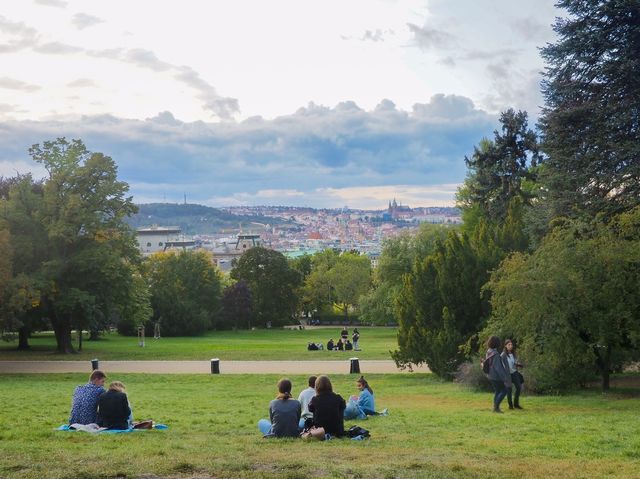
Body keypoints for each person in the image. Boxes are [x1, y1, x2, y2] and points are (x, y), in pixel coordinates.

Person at [485, 336, 511, 413]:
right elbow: (498, 368)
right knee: (504, 390)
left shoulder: (489, 351)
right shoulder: (495, 354)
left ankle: (495, 407)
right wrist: (504, 377)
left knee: (497, 390)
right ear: (497, 343)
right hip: (496, 376)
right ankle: (496, 408)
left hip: (490, 375)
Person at [501, 339, 524, 410]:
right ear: (505, 346)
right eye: (509, 345)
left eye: (511, 345)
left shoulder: (513, 354)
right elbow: (501, 366)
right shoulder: (503, 355)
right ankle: (510, 405)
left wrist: (518, 364)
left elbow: (513, 362)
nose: (511, 346)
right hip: (507, 375)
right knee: (509, 389)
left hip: (514, 373)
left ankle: (516, 404)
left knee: (518, 387)